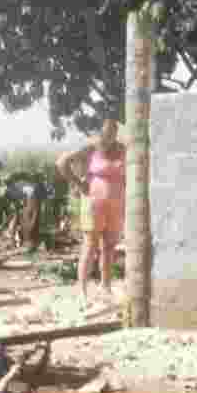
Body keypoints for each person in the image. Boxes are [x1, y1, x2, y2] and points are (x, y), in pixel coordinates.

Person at [56, 118, 126, 304]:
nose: (109, 137)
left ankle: (106, 287)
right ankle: (83, 290)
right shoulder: (90, 148)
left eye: (113, 133)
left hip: (116, 204)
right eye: (106, 133)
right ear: (100, 133)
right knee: (90, 245)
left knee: (109, 247)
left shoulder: (122, 149)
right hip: (93, 202)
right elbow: (62, 163)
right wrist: (78, 184)